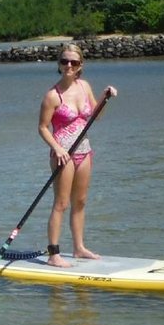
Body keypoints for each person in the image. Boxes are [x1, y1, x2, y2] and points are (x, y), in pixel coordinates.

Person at [38, 43, 117, 267]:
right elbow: (43, 128)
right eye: (64, 61)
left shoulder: (84, 87)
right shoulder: (52, 96)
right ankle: (54, 254)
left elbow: (96, 116)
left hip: (84, 150)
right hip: (63, 154)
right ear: (59, 65)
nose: (69, 66)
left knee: (80, 201)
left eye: (73, 62)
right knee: (61, 203)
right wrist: (57, 148)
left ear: (80, 65)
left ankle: (79, 248)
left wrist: (105, 96)